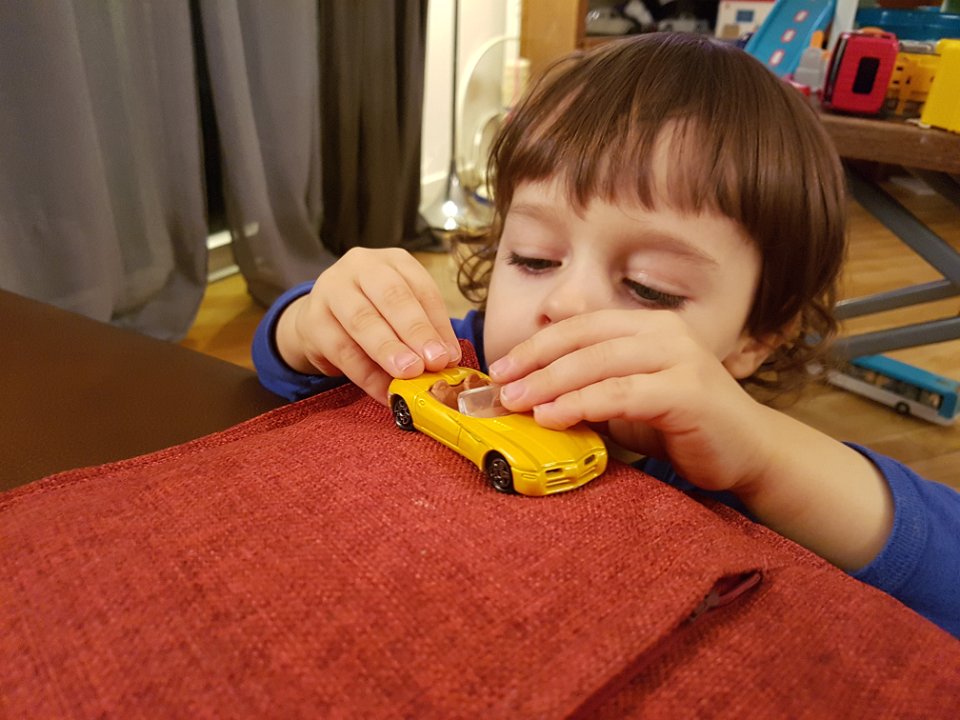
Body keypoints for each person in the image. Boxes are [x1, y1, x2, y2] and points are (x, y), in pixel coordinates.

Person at [252, 33, 960, 637]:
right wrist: (310, 322)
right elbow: (289, 375)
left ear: (755, 339)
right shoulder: (462, 365)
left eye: (650, 287)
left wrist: (766, 459)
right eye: (533, 257)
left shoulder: (723, 464)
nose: (565, 303)